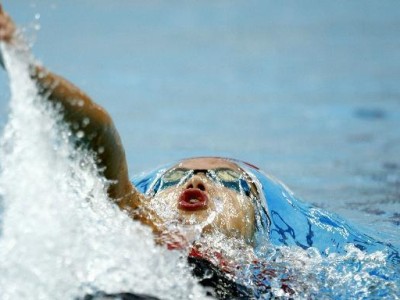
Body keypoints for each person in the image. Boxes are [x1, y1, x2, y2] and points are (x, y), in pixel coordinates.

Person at [0, 5, 267, 299]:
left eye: (227, 180)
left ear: (253, 221)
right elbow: (99, 132)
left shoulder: (281, 279)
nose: (196, 181)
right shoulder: (149, 236)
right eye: (175, 178)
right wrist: (24, 63)